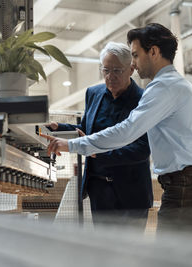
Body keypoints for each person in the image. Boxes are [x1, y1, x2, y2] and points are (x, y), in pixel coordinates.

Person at [42, 23, 192, 231]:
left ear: (153, 52)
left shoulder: (163, 88)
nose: (134, 64)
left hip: (186, 184)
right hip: (189, 182)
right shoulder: (176, 84)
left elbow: (126, 131)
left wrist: (74, 145)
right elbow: (96, 128)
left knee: (170, 258)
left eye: (135, 55)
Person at [49, 42, 153, 228]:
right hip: (99, 189)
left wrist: (100, 153)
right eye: (105, 70)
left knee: (130, 253)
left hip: (131, 193)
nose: (110, 76)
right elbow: (86, 130)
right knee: (103, 251)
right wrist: (59, 128)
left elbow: (142, 148)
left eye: (117, 71)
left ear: (131, 69)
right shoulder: (94, 93)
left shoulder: (143, 99)